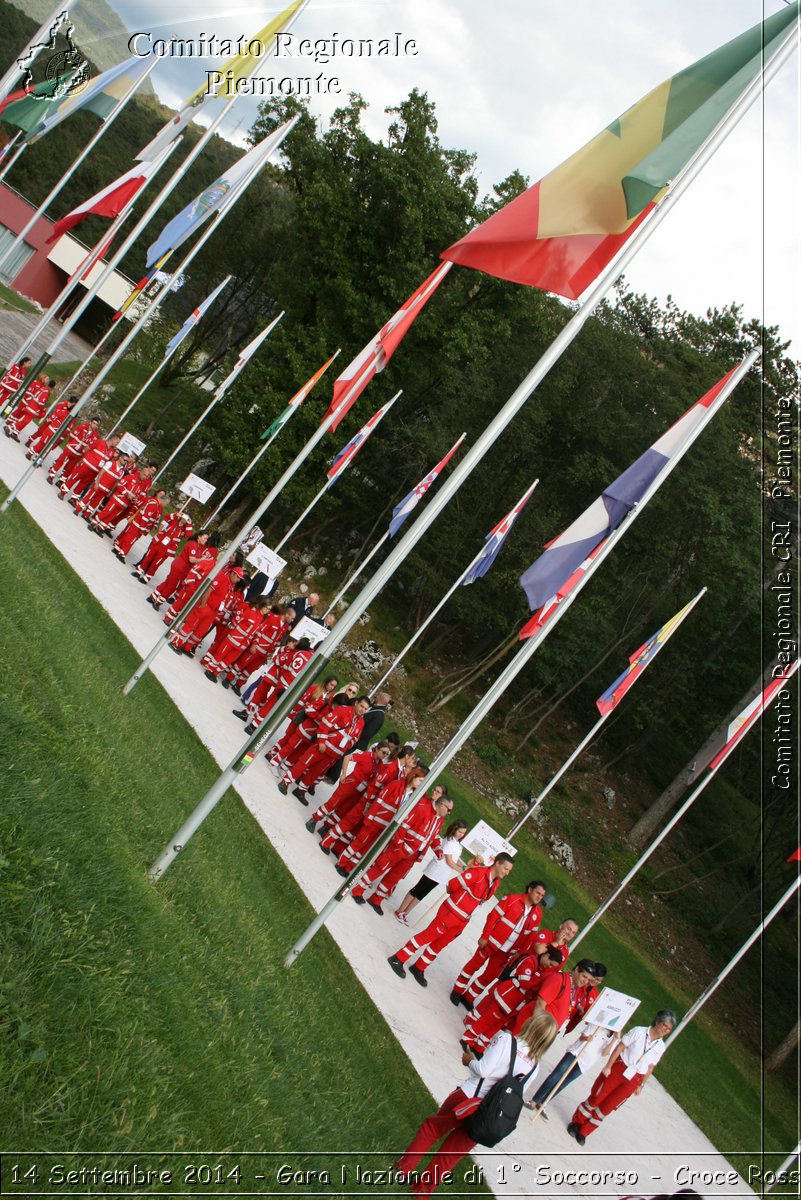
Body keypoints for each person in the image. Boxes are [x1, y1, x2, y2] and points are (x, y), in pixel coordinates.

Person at [395, 1010, 558, 1198]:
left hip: (468, 1096)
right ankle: (422, 1191)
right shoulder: (534, 1067)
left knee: (432, 1128)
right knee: (451, 1153)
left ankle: (403, 1169)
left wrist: (469, 1061)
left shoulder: (506, 1040)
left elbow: (483, 1070)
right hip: (487, 1115)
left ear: (530, 1024)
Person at [388, 853, 515, 987]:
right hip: (450, 913)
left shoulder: (496, 883)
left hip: (463, 921)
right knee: (427, 936)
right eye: (505, 869)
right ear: (497, 863)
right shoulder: (477, 873)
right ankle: (398, 958)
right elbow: (452, 885)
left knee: (439, 945)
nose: (507, 873)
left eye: (509, 871)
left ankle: (419, 967)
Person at [567, 1010, 677, 1146]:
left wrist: (641, 1085)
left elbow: (650, 1067)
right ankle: (577, 1122)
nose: (665, 1030)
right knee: (597, 1097)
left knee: (607, 1107)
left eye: (669, 1029)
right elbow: (620, 1047)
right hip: (619, 1069)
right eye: (664, 1026)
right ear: (658, 1022)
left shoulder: (660, 1047)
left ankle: (585, 1131)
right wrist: (608, 1066)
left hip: (634, 1079)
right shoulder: (639, 1032)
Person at [350, 784, 452, 914]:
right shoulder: (422, 809)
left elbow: (433, 836)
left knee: (394, 877)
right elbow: (403, 827)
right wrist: (398, 846)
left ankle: (376, 899)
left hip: (413, 855)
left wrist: (438, 849)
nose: (449, 813)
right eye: (449, 810)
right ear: (442, 806)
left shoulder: (440, 820)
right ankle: (357, 889)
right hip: (401, 849)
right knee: (380, 867)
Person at [528, 963, 614, 1117]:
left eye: (598, 981)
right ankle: (534, 1098)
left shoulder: (594, 994)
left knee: (562, 1079)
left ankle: (543, 1102)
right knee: (554, 1071)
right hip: (551, 1024)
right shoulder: (576, 985)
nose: (593, 982)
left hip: (564, 1026)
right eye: (592, 978)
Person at [450, 879, 547, 1009]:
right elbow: (493, 917)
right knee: (473, 966)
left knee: (490, 976)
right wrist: (485, 936)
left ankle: (469, 997)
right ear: (529, 890)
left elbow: (530, 937)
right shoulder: (512, 899)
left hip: (507, 952)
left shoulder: (538, 914)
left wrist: (518, 955)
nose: (539, 897)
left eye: (541, 896)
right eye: (537, 893)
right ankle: (457, 990)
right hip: (490, 942)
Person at [394, 818, 470, 924]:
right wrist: (462, 872)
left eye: (463, 833)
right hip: (435, 870)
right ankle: (400, 910)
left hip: (442, 874)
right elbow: (449, 861)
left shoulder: (458, 844)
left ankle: (406, 912)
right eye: (460, 832)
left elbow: (456, 860)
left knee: (422, 894)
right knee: (417, 889)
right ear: (455, 829)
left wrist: (465, 867)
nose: (461, 834)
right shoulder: (449, 841)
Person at [324, 691, 392, 784]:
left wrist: (355, 736)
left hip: (358, 741)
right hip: (351, 734)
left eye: (378, 695)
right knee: (340, 753)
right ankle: (328, 771)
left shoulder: (379, 715)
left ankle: (332, 777)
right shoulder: (374, 707)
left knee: (344, 756)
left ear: (380, 698)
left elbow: (368, 732)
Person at [112, 490, 169, 560]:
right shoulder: (154, 504)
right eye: (166, 504)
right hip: (139, 525)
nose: (166, 506)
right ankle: (122, 553)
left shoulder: (154, 503)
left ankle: (118, 548)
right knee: (130, 540)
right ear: (163, 501)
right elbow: (145, 517)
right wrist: (142, 528)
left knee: (128, 537)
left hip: (138, 524)